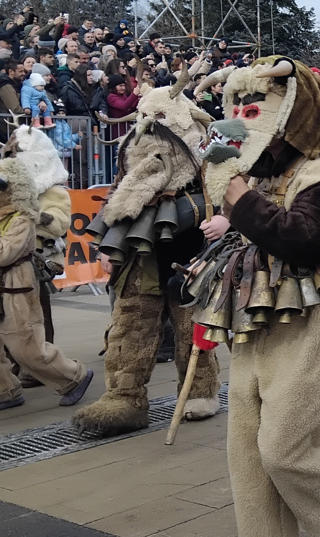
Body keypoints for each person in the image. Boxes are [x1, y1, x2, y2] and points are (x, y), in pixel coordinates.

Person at [198, 57, 320, 537]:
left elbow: (307, 239)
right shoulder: (261, 178)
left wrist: (239, 200)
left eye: (253, 109)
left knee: (286, 449)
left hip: (306, 338)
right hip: (256, 332)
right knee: (249, 458)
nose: (239, 119)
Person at [73, 65, 222, 436]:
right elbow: (117, 204)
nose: (147, 126)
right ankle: (124, 398)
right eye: (143, 117)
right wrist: (107, 247)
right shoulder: (133, 164)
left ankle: (199, 392)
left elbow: (233, 194)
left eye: (156, 117)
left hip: (192, 260)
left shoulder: (207, 160)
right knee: (129, 327)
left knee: (194, 330)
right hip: (140, 262)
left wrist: (226, 220)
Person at [0, 156, 94, 411]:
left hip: (15, 285)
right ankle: (5, 389)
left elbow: (5, 253)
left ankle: (74, 376)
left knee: (25, 344)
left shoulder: (21, 219)